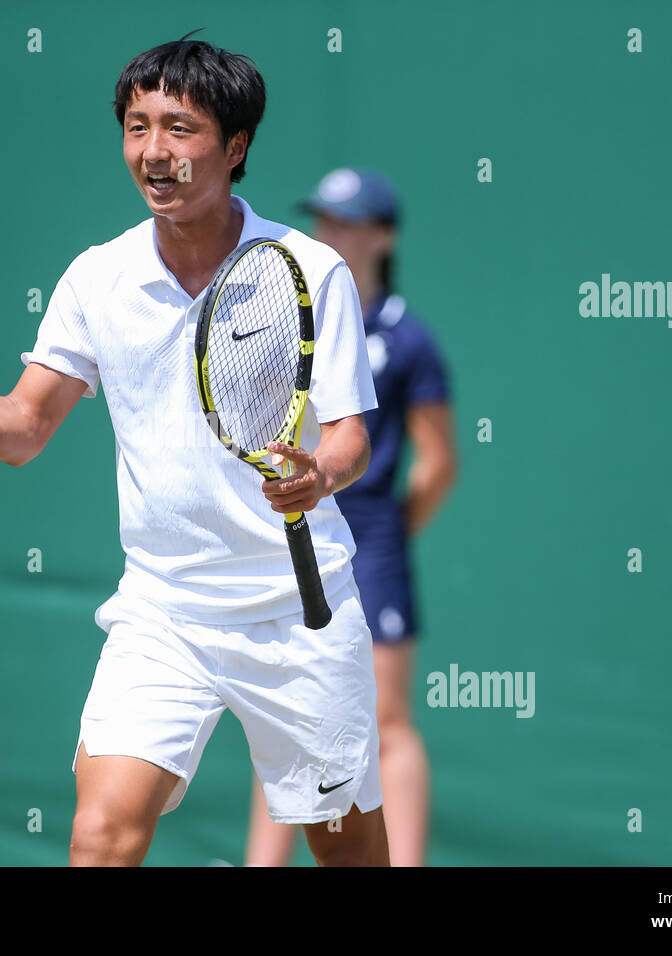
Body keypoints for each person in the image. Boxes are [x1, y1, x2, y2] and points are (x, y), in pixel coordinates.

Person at [0, 37, 390, 866]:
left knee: (348, 853)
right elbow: (23, 429)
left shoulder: (308, 268)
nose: (155, 152)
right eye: (138, 127)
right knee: (101, 835)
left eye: (180, 129)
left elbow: (351, 434)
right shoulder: (96, 279)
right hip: (162, 615)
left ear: (235, 146)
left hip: (298, 611)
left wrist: (320, 473)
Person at [245, 168, 457, 867]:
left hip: (370, 537)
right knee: (285, 711)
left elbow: (437, 462)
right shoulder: (284, 326)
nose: (330, 234)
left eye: (348, 222)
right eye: (323, 220)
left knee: (388, 722)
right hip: (287, 529)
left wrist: (390, 535)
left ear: (384, 237)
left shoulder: (410, 340)